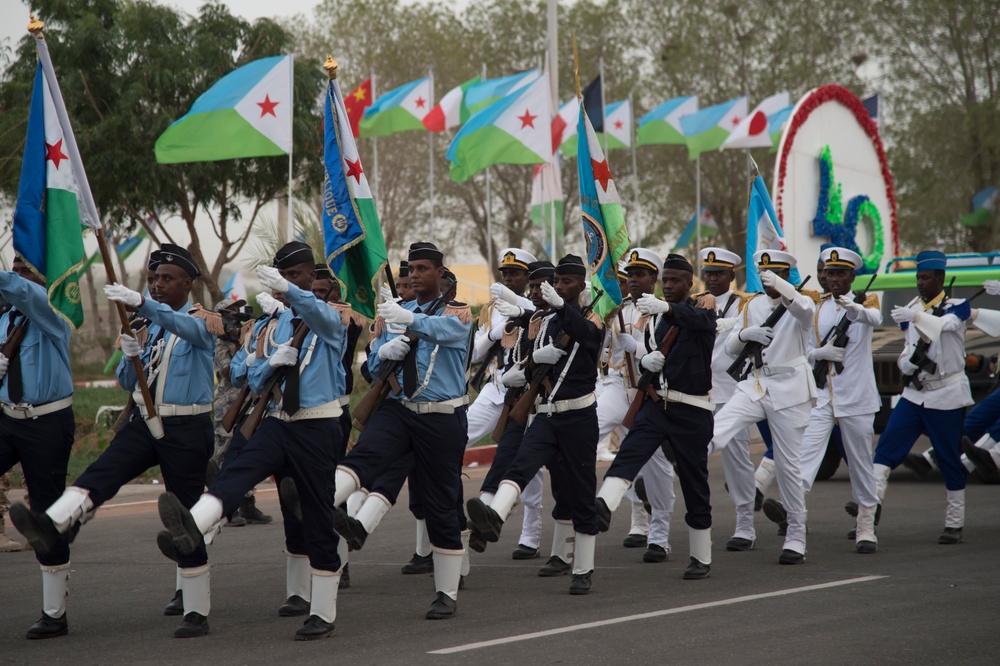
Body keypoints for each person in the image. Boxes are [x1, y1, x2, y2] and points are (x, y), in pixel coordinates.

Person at [11, 244, 215, 637]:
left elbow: (188, 330)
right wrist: (128, 355)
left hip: (186, 428)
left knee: (185, 516)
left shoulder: (201, 320)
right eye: (153, 279)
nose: (158, 285)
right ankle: (53, 522)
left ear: (187, 283)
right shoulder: (143, 324)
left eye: (167, 279)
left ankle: (195, 609)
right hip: (144, 420)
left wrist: (142, 303)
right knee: (101, 472)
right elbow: (127, 380)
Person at [156, 241, 350, 640]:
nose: (285, 285)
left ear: (312, 278)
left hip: (318, 426)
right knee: (235, 473)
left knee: (315, 517)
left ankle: (324, 611)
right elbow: (254, 379)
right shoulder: (276, 325)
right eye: (281, 278)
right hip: (279, 422)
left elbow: (317, 315)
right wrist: (272, 363)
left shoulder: (330, 317)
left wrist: (295, 294)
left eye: (294, 276)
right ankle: (193, 525)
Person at [330, 242, 472, 620]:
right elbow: (375, 366)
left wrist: (408, 321)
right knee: (366, 453)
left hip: (442, 417)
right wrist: (382, 353)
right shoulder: (399, 311)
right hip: (400, 408)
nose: (414, 275)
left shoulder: (457, 311)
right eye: (410, 269)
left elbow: (448, 331)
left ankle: (446, 592)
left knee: (441, 504)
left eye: (424, 268)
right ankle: (321, 498)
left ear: (440, 274)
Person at [466, 255, 604, 595]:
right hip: (546, 414)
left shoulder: (591, 319)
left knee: (581, 493)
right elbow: (532, 356)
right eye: (556, 282)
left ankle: (582, 568)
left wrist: (562, 309)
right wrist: (524, 369)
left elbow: (589, 338)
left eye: (566, 282)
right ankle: (495, 515)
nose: (558, 287)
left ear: (581, 287)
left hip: (578, 418)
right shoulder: (542, 321)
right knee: (520, 463)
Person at [594, 253, 717, 579]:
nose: (670, 286)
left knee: (695, 484)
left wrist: (669, 308)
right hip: (657, 405)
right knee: (629, 454)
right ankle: (604, 505)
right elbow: (651, 353)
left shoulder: (702, 311)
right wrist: (644, 355)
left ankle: (701, 556)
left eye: (677, 281)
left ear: (690, 283)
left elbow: (699, 322)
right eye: (667, 281)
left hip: (692, 410)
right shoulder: (653, 320)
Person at [764, 248, 882, 553]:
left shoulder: (866, 302)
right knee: (803, 459)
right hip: (820, 396)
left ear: (852, 276)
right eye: (829, 273)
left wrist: (853, 308)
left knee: (860, 464)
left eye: (840, 273)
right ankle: (794, 524)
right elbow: (804, 349)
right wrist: (820, 353)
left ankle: (866, 526)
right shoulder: (816, 306)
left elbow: (874, 318)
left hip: (856, 397)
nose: (834, 279)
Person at [709, 250, 817, 565]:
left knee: (788, 466)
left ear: (787, 275)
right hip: (756, 384)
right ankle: (692, 449)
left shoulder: (801, 301)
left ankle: (796, 534)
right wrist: (744, 334)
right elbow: (730, 347)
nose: (768, 278)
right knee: (722, 422)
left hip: (791, 388)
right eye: (765, 273)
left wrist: (785, 289)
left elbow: (805, 311)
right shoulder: (752, 304)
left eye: (777, 273)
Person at [872, 250, 973, 544]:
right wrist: (906, 362)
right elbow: (908, 346)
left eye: (925, 277)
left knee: (948, 458)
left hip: (947, 395)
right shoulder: (911, 308)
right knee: (885, 450)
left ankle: (954, 523)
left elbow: (944, 326)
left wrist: (917, 316)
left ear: (940, 279)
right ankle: (868, 513)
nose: (920, 282)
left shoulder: (958, 307)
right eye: (918, 277)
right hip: (915, 394)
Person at [0, 256, 76, 636]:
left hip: (45, 423)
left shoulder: (53, 313)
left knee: (45, 517)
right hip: (7, 418)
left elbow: (28, 295)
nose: (18, 273)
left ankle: (54, 612)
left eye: (27, 266)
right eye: (14, 265)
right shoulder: (6, 316)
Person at [470, 248, 546, 560]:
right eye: (504, 273)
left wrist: (515, 303)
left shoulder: (533, 304)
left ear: (529, 279)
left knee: (528, 465)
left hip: (528, 392)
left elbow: (535, 315)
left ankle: (530, 535)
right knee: (455, 435)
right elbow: (474, 354)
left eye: (515, 273)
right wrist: (494, 333)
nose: (508, 278)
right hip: (495, 389)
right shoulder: (491, 309)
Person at [603, 249, 678, 564]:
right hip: (615, 388)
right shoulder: (615, 312)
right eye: (627, 276)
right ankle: (586, 512)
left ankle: (658, 535)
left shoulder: (665, 311)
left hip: (646, 394)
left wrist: (640, 348)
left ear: (654, 279)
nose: (631, 281)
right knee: (581, 431)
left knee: (656, 465)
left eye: (638, 275)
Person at [698, 247, 762, 552]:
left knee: (736, 461)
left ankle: (745, 525)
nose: (712, 279)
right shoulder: (696, 303)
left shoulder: (744, 305)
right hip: (698, 391)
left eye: (718, 273)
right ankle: (698, 525)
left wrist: (736, 326)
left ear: (730, 275)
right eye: (708, 273)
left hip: (730, 390)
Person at [211, 299, 272, 528]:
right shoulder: (220, 343)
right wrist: (240, 348)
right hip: (228, 403)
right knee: (224, 453)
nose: (237, 317)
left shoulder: (244, 339)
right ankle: (223, 505)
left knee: (246, 453)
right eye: (233, 313)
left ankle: (247, 503)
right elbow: (227, 372)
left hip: (248, 402)